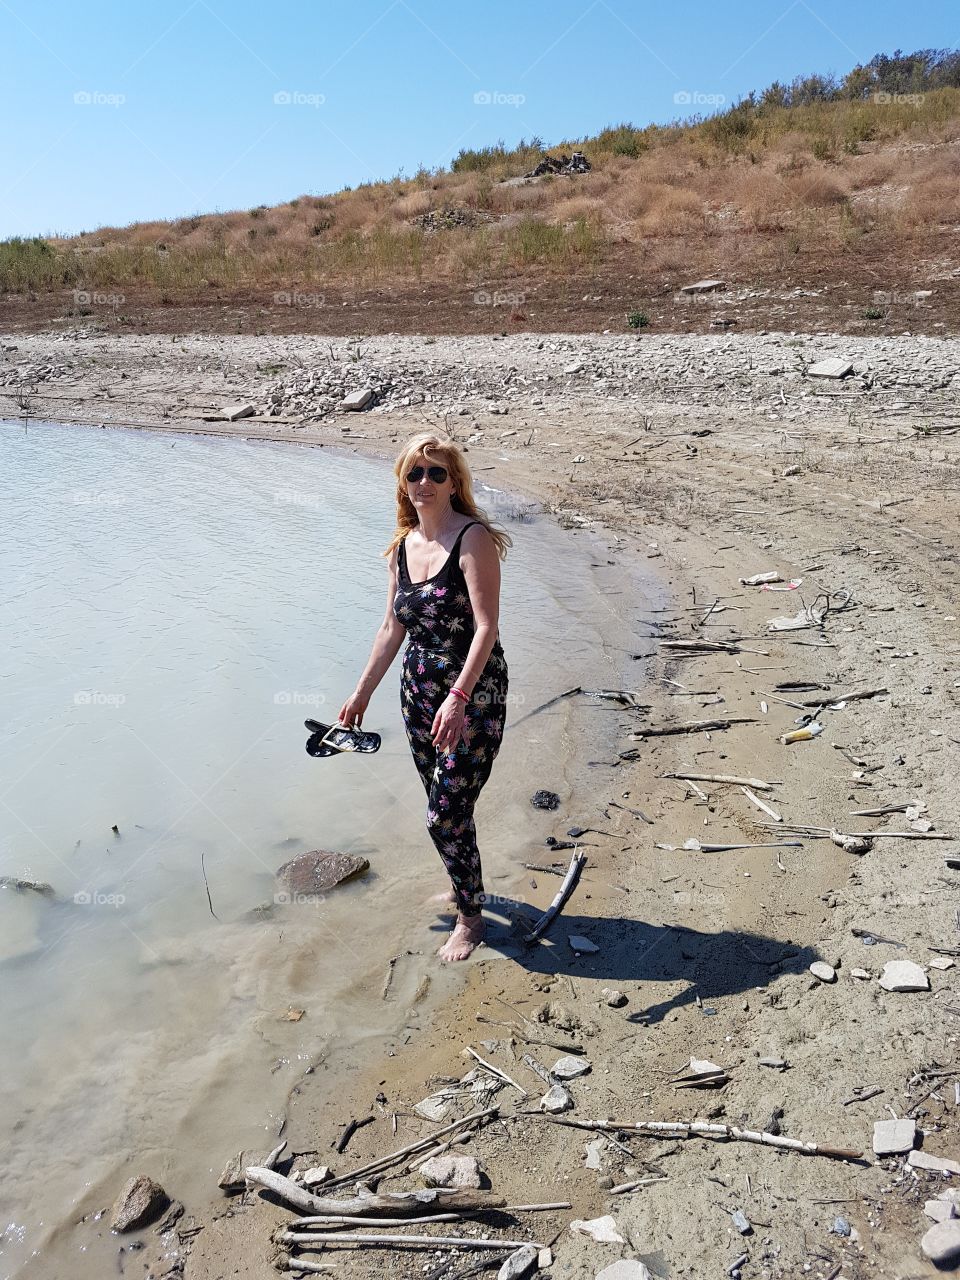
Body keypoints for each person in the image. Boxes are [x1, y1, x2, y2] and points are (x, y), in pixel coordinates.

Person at [339, 432, 511, 962]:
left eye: (437, 472)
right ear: (402, 483)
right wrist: (360, 694)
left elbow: (486, 628)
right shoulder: (401, 547)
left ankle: (472, 919)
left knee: (445, 814)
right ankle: (464, 886)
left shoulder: (473, 540)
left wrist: (458, 696)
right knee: (441, 801)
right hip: (417, 693)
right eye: (414, 472)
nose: (424, 481)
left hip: (472, 694)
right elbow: (391, 628)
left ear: (455, 482)